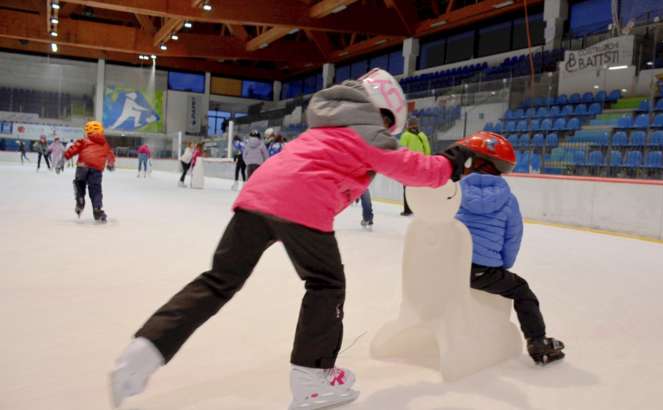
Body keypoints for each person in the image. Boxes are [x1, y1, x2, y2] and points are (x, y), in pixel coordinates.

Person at [108, 68, 472, 410]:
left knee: (219, 280)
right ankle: (312, 379)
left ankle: (144, 351)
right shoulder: (366, 129)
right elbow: (414, 169)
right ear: (378, 108)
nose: (387, 130)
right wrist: (458, 159)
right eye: (388, 121)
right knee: (326, 284)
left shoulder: (326, 125)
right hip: (302, 203)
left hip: (257, 198)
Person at [454, 131, 565, 365]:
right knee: (522, 290)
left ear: (472, 163)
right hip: (482, 272)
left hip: (449, 267)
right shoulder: (509, 200)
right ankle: (537, 341)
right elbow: (512, 239)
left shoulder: (453, 192)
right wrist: (501, 267)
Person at [64, 121, 116, 222]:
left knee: (79, 183)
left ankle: (80, 199)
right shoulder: (104, 143)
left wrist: (64, 158)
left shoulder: (84, 140)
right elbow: (110, 155)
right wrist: (111, 163)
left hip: (82, 166)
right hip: (96, 169)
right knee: (96, 189)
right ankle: (97, 210)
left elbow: (73, 149)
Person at [398, 116, 431, 215]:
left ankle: (407, 210)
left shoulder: (405, 135)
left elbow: (401, 151)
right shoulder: (422, 135)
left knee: (407, 188)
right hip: (421, 165)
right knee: (420, 188)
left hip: (409, 166)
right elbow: (427, 150)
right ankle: (420, 209)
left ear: (408, 125)